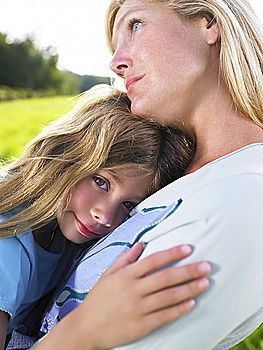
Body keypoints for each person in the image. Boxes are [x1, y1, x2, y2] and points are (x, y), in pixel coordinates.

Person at [29, 0, 263, 349]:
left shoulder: (247, 196)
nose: (116, 62)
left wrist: (78, 334)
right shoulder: (175, 175)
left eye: (135, 25)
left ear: (208, 22)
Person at [0, 84, 212, 350]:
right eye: (101, 181)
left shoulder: (63, 231)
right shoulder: (7, 236)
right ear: (64, 155)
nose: (105, 216)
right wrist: (86, 327)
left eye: (127, 204)